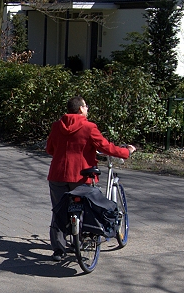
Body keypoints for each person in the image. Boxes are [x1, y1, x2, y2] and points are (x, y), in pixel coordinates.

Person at [46, 96, 136, 260]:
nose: (87, 109)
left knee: (58, 210)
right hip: (80, 175)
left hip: (57, 174)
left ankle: (59, 249)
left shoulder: (57, 126)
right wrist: (126, 151)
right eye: (86, 106)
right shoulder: (89, 127)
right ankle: (82, 240)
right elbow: (105, 147)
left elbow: (50, 149)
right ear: (80, 109)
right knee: (85, 208)